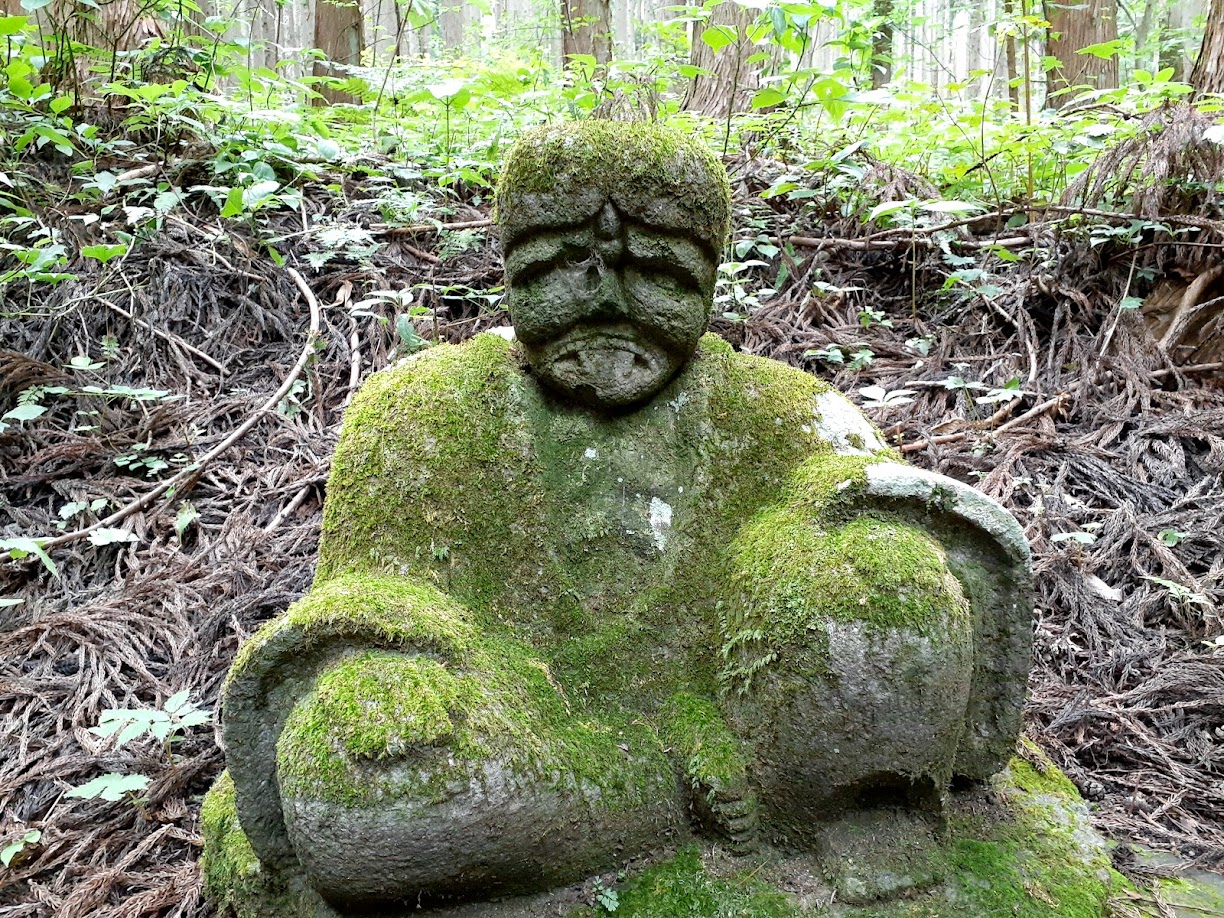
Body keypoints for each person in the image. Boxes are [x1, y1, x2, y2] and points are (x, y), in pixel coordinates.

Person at [213, 121, 1031, 914]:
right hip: (512, 724)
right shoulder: (423, 409)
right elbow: (373, 593)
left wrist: (872, 567)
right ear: (506, 272)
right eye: (560, 270)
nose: (607, 301)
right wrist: (390, 670)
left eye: (659, 276)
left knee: (884, 584)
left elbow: (902, 510)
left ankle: (859, 809)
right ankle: (657, 786)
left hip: (749, 722)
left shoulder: (784, 410)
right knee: (353, 792)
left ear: (711, 282)